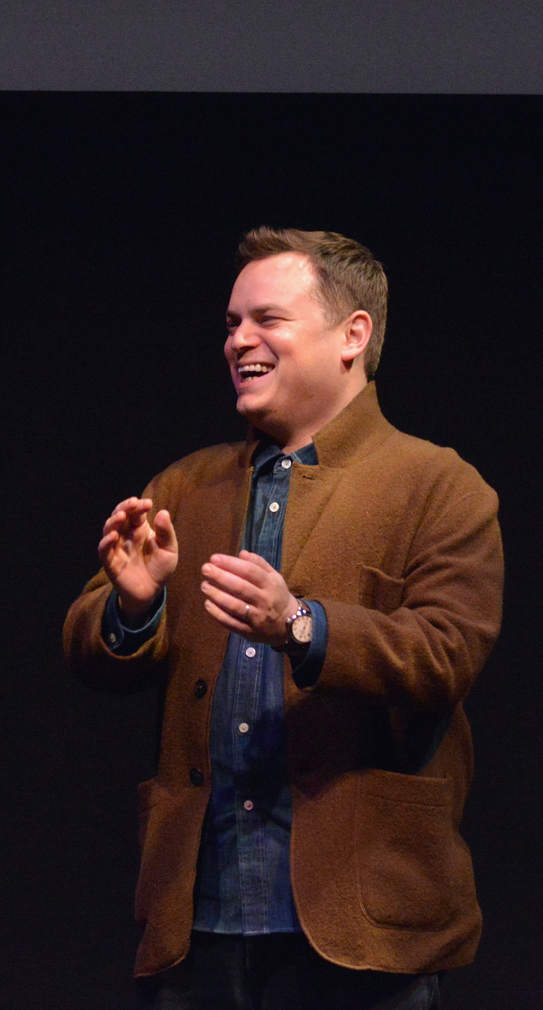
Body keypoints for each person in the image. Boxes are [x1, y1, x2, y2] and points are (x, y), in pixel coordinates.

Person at [63, 228, 503, 1009]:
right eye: (231, 324)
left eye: (267, 319)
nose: (239, 340)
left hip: (360, 921)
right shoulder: (188, 485)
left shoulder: (437, 484)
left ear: (352, 336)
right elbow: (86, 644)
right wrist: (133, 606)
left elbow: (445, 654)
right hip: (199, 918)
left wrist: (302, 625)